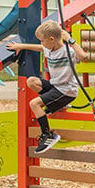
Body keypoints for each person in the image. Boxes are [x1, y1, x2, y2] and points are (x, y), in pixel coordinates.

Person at [7, 20, 89, 154]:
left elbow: (83, 56)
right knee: (31, 81)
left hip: (66, 91)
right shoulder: (48, 48)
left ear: (52, 39)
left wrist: (69, 39)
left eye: (42, 40)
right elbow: (40, 48)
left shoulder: (67, 51)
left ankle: (48, 135)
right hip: (55, 86)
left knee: (34, 104)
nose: (41, 44)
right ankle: (54, 105)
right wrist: (21, 46)